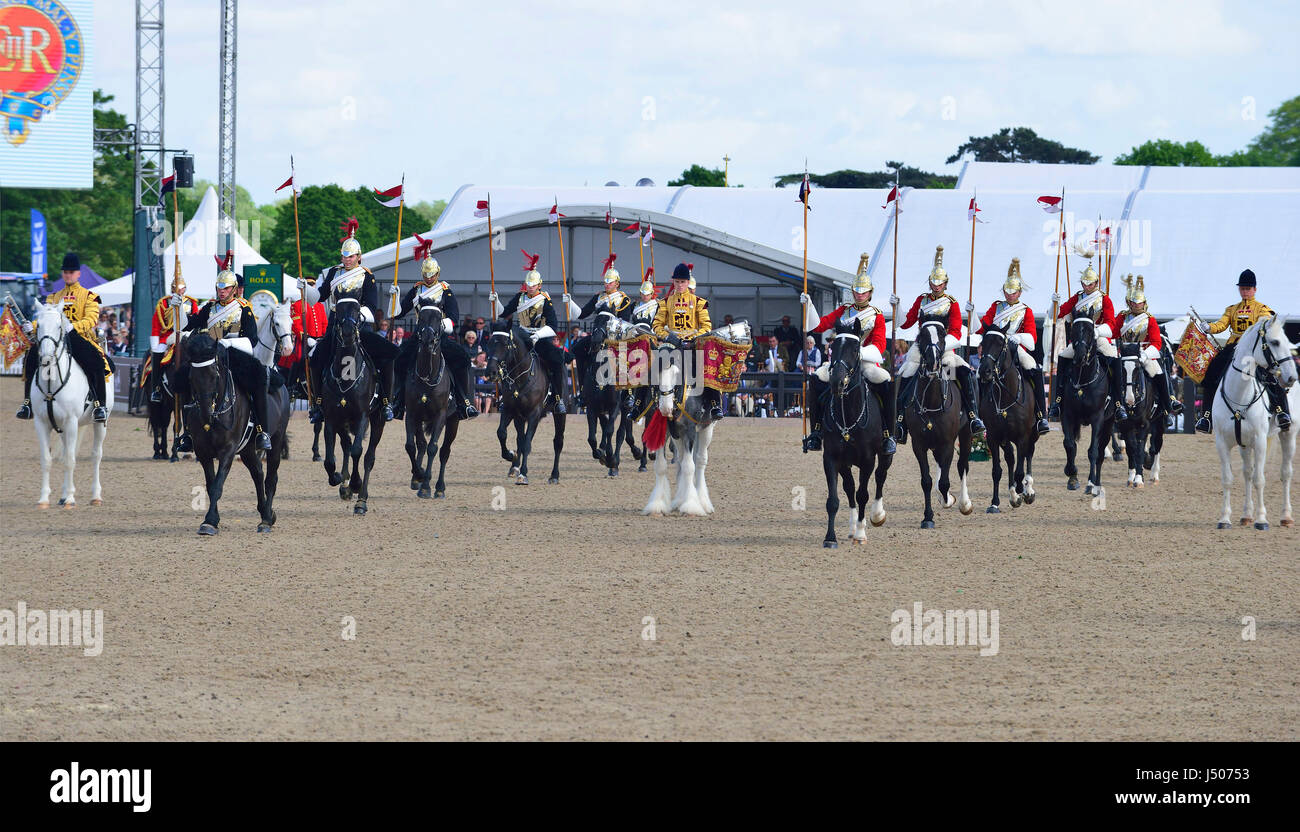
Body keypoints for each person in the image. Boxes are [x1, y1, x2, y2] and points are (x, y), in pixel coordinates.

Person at [305, 217, 399, 423]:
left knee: (389, 355)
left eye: (351, 256)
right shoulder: (333, 272)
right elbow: (319, 296)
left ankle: (386, 401)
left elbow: (372, 306)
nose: (347, 260)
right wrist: (306, 289)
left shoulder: (366, 276)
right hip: (335, 328)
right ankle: (318, 404)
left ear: (359, 257)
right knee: (315, 359)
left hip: (359, 328)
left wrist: (354, 319)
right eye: (344, 256)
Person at [799, 261, 896, 453]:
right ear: (853, 291)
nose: (860, 294)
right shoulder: (844, 310)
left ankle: (888, 434)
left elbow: (879, 345)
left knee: (886, 382)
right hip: (840, 361)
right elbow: (818, 326)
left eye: (864, 291)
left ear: (870, 292)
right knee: (817, 378)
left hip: (865, 362)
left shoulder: (876, 316)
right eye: (857, 291)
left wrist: (858, 354)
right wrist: (808, 305)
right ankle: (816, 433)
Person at [891, 245, 984, 443]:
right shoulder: (922, 300)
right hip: (922, 346)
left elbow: (957, 330)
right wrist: (897, 306)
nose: (936, 285)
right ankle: (900, 421)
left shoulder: (952, 303)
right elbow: (906, 322)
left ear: (945, 283)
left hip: (944, 347)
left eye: (939, 282)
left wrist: (941, 346)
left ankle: (973, 416)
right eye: (933, 281)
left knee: (964, 372)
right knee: (905, 373)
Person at [175, 260, 272, 451]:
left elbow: (251, 340)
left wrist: (226, 343)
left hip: (235, 354)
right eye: (219, 287)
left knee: (259, 379)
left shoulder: (244, 308)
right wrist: (178, 307)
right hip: (210, 354)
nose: (221, 291)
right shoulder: (210, 307)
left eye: (225, 288)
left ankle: (262, 431)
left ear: (234, 289)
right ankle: (187, 432)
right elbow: (187, 325)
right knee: (183, 377)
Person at [16, 253, 113, 423]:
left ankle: (99, 405)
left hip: (78, 337)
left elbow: (91, 319)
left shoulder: (89, 296)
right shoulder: (53, 297)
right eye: (65, 272)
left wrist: (73, 327)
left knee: (97, 361)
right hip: (54, 338)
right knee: (31, 356)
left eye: (71, 272)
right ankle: (27, 403)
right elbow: (45, 318)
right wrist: (32, 326)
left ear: (78, 274)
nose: (68, 274)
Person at [389, 246, 478, 420]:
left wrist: (438, 328)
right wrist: (395, 297)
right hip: (419, 335)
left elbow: (453, 317)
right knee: (399, 360)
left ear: (438, 273)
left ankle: (464, 402)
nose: (429, 279)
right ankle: (397, 401)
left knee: (462, 359)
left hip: (440, 336)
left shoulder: (445, 291)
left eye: (432, 275)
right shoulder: (416, 290)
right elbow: (398, 313)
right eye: (426, 276)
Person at [1195, 268, 1288, 432]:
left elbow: (1266, 323)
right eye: (1242, 288)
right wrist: (1209, 327)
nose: (1245, 292)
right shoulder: (1232, 309)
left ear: (1255, 289)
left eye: (1248, 288)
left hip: (1253, 350)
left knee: (1271, 375)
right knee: (1211, 375)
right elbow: (1222, 324)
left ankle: (1282, 412)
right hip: (1233, 348)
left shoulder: (1262, 309)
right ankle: (1206, 416)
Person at [972, 258, 1050, 435]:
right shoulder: (996, 307)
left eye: (1013, 292)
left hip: (1015, 347)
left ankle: (1041, 415)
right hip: (996, 347)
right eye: (1007, 291)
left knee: (1034, 370)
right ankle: (976, 414)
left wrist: (1017, 337)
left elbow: (1032, 339)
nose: (1009, 294)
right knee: (979, 373)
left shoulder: (1026, 311)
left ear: (1019, 292)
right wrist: (972, 314)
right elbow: (982, 328)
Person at [489, 250, 569, 414]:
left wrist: (538, 335)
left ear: (539, 285)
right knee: (506, 355)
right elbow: (503, 312)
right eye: (528, 285)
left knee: (557, 361)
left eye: (533, 285)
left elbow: (553, 325)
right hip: (521, 335)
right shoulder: (520, 297)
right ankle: (505, 396)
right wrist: (496, 300)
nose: (530, 288)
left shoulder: (545, 300)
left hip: (540, 336)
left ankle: (557, 398)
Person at [1046, 259, 1124, 420]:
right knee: (1062, 357)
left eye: (1090, 284)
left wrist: (1097, 332)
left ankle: (1118, 403)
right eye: (1084, 283)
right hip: (1080, 339)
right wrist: (1054, 303)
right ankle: (1058, 401)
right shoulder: (1077, 297)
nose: (1087, 287)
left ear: (1096, 283)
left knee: (1115, 360)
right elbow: (1057, 314)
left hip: (1099, 338)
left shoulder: (1104, 299)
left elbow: (1111, 323)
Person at [652, 262, 723, 419]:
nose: (679, 285)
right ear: (673, 282)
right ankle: (645, 401)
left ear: (688, 282)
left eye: (682, 282)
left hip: (692, 344)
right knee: (656, 361)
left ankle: (714, 404)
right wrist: (667, 336)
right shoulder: (665, 302)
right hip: (671, 344)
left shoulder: (699, 302)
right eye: (677, 281)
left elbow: (706, 326)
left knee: (706, 365)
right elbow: (657, 325)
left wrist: (693, 338)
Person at [563, 254, 632, 406]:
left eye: (610, 282)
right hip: (596, 336)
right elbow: (581, 314)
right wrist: (570, 302)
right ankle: (582, 391)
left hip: (614, 337)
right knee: (577, 349)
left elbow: (625, 321)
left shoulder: (624, 299)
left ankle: (629, 395)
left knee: (628, 359)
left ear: (617, 283)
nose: (607, 284)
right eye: (605, 281)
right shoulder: (598, 297)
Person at [1113, 274, 1184, 420]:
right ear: (1129, 302)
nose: (1136, 305)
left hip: (1144, 353)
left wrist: (1145, 355)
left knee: (1159, 372)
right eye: (1134, 302)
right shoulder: (1122, 317)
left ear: (1144, 302)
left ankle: (1167, 406)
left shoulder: (1149, 319)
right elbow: (1114, 333)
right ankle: (1113, 405)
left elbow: (1157, 343)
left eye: (1139, 303)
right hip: (1125, 353)